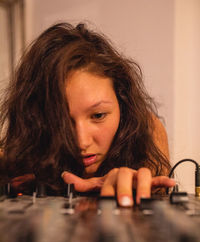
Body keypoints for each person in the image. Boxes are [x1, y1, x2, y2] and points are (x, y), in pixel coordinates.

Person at [0, 22, 175, 206]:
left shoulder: (147, 128)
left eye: (98, 115)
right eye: (62, 121)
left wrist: (131, 184)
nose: (81, 142)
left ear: (122, 103)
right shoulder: (29, 145)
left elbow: (152, 191)